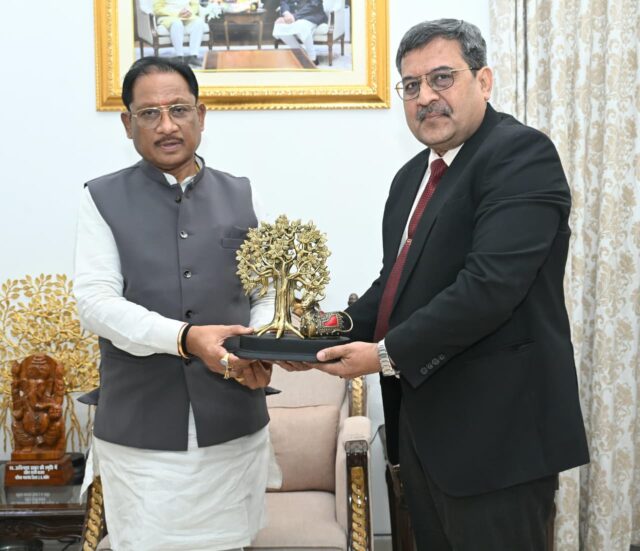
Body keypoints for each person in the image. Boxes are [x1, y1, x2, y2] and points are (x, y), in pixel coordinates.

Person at [298, 19, 590, 550]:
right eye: (411, 85)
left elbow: (488, 288)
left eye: (441, 78)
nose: (425, 97)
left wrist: (382, 355)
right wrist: (313, 329)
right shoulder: (412, 176)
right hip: (425, 438)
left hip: (500, 441)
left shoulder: (520, 155)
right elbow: (394, 288)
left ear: (484, 80)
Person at [73, 56, 279, 551]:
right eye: (149, 113)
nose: (167, 126)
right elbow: (95, 303)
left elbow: (268, 292)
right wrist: (185, 339)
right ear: (128, 123)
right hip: (141, 434)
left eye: (179, 109)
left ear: (200, 115)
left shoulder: (242, 194)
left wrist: (257, 342)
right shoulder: (101, 198)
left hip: (232, 425)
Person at [152, 0, 207, 66]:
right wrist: (177, 13)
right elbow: (157, 9)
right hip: (169, 17)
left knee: (199, 22)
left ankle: (193, 56)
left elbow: (195, 5)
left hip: (188, 16)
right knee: (177, 23)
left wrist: (190, 12)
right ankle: (179, 56)